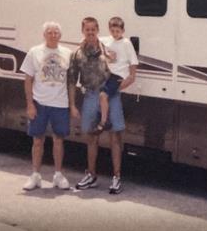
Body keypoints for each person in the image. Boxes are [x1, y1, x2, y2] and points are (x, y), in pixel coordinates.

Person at [68, 16, 132, 194]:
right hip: (90, 95)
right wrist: (72, 105)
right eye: (87, 29)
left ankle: (116, 177)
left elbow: (122, 65)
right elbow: (72, 81)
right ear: (83, 31)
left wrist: (121, 85)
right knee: (91, 137)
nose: (90, 32)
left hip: (110, 95)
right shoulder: (77, 54)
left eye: (93, 29)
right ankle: (91, 175)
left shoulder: (107, 47)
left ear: (97, 30)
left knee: (115, 137)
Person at [20, 21, 72, 191]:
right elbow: (28, 79)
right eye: (49, 32)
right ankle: (35, 175)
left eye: (56, 32)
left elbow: (71, 82)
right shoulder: (34, 52)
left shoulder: (67, 53)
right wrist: (30, 105)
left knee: (59, 140)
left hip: (60, 104)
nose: (53, 35)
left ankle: (58, 175)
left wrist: (72, 105)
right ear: (44, 35)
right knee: (37, 140)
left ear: (60, 35)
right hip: (39, 103)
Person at [95, 17, 138, 134]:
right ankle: (103, 117)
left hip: (118, 75)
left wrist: (132, 76)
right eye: (113, 31)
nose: (115, 34)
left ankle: (104, 122)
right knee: (100, 94)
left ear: (123, 31)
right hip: (107, 74)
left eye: (118, 31)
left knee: (103, 95)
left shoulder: (126, 43)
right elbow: (96, 39)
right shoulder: (107, 40)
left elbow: (133, 60)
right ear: (109, 30)